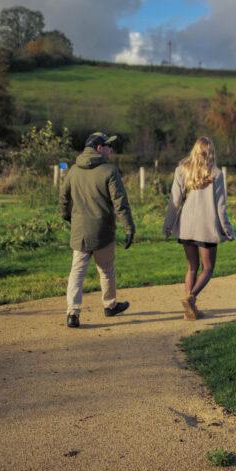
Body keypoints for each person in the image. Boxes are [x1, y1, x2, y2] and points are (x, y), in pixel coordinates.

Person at [59, 132, 136, 329]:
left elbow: (64, 197)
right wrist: (129, 228)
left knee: (77, 271)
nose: (111, 149)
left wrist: (66, 216)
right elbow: (120, 203)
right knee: (106, 269)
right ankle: (110, 305)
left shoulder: (73, 170)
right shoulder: (109, 171)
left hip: (79, 231)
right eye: (109, 146)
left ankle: (72, 312)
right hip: (103, 230)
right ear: (99, 148)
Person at [164, 136, 236, 320]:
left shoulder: (181, 171)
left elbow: (174, 202)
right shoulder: (216, 174)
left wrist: (168, 225)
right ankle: (190, 299)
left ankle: (190, 310)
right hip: (207, 228)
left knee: (192, 268)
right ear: (211, 152)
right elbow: (221, 207)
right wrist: (228, 230)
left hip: (187, 226)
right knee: (208, 268)